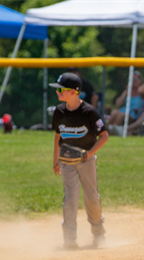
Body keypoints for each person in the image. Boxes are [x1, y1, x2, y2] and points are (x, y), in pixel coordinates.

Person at [50, 73, 110, 249]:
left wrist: (89, 153)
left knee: (91, 198)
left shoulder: (89, 112)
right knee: (70, 199)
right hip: (66, 162)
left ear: (74, 92)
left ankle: (98, 233)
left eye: (61, 89)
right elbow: (57, 138)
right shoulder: (59, 111)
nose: (58, 92)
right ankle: (69, 238)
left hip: (86, 161)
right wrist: (55, 161)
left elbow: (104, 136)